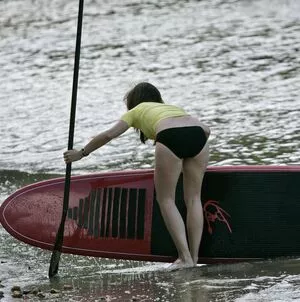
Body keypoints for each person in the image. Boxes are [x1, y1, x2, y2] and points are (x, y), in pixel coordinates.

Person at [64, 82, 210, 270]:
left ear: (135, 101)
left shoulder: (137, 110)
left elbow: (109, 135)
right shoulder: (171, 108)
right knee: (193, 198)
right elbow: (206, 130)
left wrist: (81, 153)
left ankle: (185, 258)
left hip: (170, 136)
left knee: (166, 199)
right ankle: (195, 258)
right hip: (199, 135)